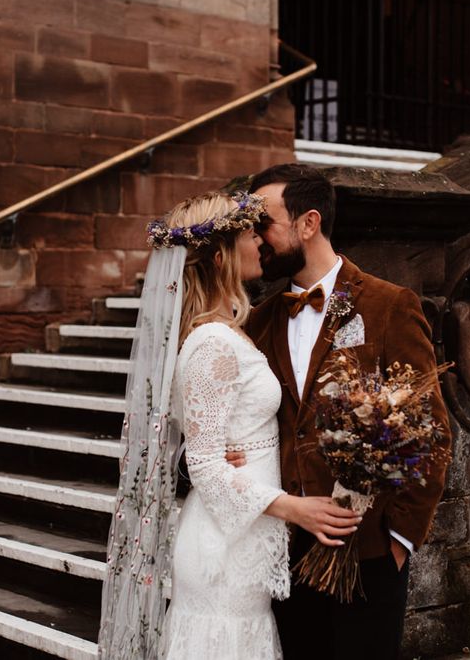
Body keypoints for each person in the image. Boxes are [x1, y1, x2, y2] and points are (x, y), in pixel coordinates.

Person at [98, 190, 360, 660]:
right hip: (223, 548)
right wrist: (297, 510)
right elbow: (205, 466)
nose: (259, 240)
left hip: (239, 539)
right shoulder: (213, 343)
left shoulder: (232, 328)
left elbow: (211, 444)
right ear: (220, 256)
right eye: (246, 232)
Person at [242, 164, 452, 659]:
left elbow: (432, 431)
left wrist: (398, 540)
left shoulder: (389, 305)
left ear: (308, 223)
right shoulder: (260, 319)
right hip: (285, 552)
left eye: (263, 224)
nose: (255, 239)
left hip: (369, 554)